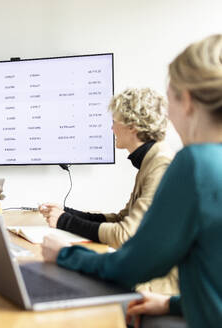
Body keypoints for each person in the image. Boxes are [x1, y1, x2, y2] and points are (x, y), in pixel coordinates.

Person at [41, 34, 222, 328]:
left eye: (171, 97)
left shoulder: (195, 163)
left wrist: (66, 254)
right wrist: (174, 304)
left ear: (187, 100)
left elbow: (133, 264)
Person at [40, 88, 178, 295]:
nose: (111, 127)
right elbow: (123, 218)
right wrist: (66, 212)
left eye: (114, 121)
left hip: (157, 288)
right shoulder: (151, 159)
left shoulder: (160, 164)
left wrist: (63, 221)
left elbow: (124, 234)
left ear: (132, 126)